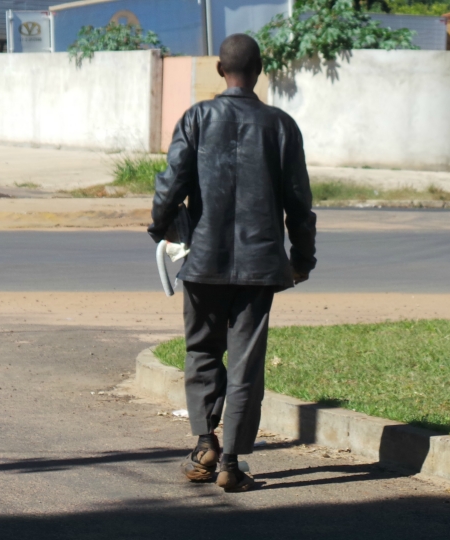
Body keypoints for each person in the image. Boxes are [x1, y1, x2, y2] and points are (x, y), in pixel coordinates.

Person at [148, 34, 316, 493]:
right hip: (261, 265)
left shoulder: (197, 118)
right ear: (259, 70)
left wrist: (160, 227)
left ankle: (205, 443)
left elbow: (170, 184)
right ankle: (232, 463)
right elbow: (299, 205)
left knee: (201, 349)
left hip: (202, 261)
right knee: (246, 363)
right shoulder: (281, 126)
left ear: (221, 70)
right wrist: (302, 258)